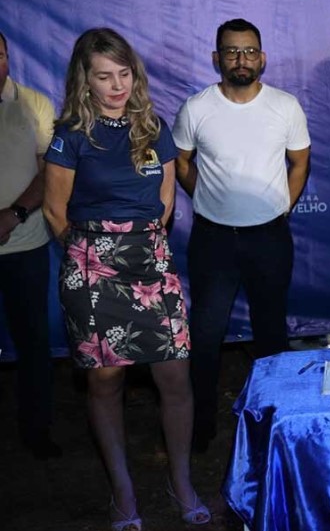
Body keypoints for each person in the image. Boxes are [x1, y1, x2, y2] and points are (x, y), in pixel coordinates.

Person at [43, 28, 209, 530]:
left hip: (151, 263)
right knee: (105, 382)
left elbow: (165, 202)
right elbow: (54, 210)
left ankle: (181, 482)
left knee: (175, 376)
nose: (117, 86)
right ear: (85, 80)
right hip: (93, 266)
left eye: (124, 74)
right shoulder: (71, 134)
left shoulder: (154, 128)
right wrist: (90, 255)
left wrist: (142, 245)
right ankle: (123, 493)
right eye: (104, 76)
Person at [173, 18, 310, 452]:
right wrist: (207, 198)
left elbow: (300, 162)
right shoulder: (196, 108)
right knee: (206, 335)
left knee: (271, 334)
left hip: (269, 238)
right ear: (217, 58)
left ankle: (275, 421)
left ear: (262, 58)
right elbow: (181, 162)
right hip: (213, 240)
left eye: (249, 51)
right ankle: (201, 426)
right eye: (232, 51)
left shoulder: (285, 106)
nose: (241, 59)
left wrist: (282, 207)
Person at [0, 31, 61, 459]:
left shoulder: (35, 104)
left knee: (33, 342)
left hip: (25, 245)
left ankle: (37, 429)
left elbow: (49, 173)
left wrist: (13, 215)